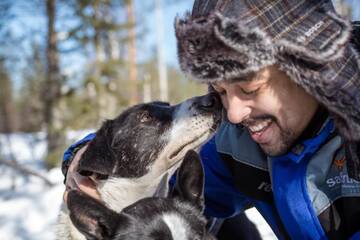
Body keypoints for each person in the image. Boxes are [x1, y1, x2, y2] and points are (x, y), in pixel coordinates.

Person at [62, 0, 360, 239]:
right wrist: (87, 156)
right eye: (220, 92)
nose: (233, 113)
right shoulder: (237, 145)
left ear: (308, 65)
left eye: (249, 88)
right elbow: (159, 193)